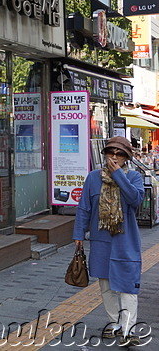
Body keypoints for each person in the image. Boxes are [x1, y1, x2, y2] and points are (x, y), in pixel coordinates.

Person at [73, 136, 145, 346]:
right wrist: (78, 236)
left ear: (127, 158)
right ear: (104, 154)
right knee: (106, 285)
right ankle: (115, 323)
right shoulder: (93, 178)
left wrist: (117, 176)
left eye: (120, 153)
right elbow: (84, 208)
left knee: (127, 286)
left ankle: (128, 329)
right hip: (101, 240)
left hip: (126, 241)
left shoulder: (134, 177)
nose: (114, 156)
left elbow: (135, 199)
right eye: (111, 152)